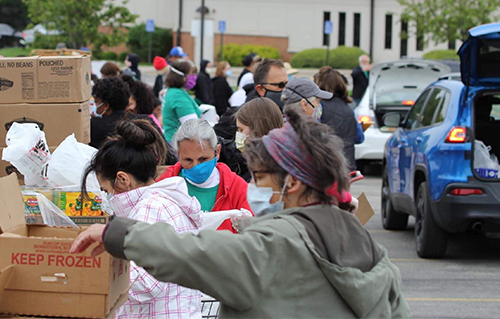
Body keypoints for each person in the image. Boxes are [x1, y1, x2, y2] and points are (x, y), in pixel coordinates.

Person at [72, 108, 410, 319]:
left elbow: (195, 254)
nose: (254, 189)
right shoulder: (362, 239)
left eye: (260, 179)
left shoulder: (277, 242)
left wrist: (118, 234)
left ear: (291, 183)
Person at [82, 119, 202, 318]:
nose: (108, 197)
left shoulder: (148, 210)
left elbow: (146, 283)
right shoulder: (164, 202)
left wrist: (96, 270)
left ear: (122, 179)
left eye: (106, 190)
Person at [157, 119, 253, 232]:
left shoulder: (237, 189)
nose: (196, 166)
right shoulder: (164, 185)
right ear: (178, 155)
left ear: (217, 152)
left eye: (203, 159)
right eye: (188, 160)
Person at [314, 66, 359, 170]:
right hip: (346, 166)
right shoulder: (349, 109)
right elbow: (359, 138)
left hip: (325, 165)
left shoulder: (318, 107)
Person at [162, 59, 201, 142]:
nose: (194, 77)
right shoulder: (178, 96)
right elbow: (191, 125)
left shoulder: (174, 91)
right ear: (182, 77)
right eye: (191, 74)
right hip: (178, 144)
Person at [90, 77, 132, 149]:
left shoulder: (95, 126)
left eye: (96, 102)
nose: (95, 106)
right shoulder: (142, 120)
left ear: (106, 105)